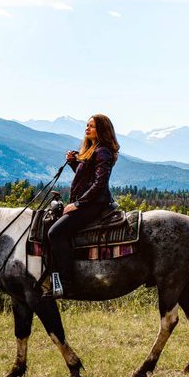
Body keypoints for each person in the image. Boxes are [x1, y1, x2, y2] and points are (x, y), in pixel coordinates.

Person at [46, 114, 120, 297]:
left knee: (56, 233)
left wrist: (78, 204)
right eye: (87, 125)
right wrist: (73, 163)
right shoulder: (93, 149)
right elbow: (88, 177)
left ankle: (67, 283)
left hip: (96, 204)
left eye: (92, 126)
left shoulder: (102, 151)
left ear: (101, 129)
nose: (87, 129)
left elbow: (99, 184)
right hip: (90, 201)